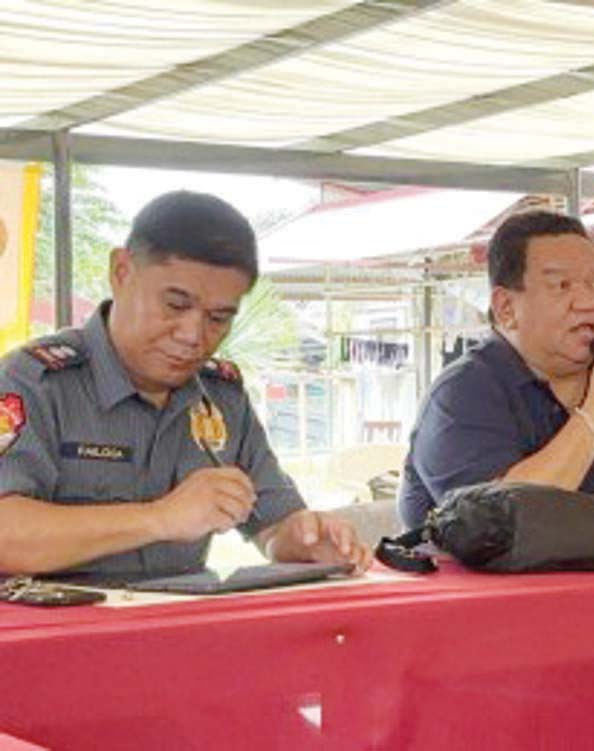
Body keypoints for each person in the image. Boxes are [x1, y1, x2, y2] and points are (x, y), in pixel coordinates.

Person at [0, 191, 373, 576]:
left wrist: (307, 541)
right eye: (176, 305)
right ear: (121, 271)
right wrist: (160, 518)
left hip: (180, 630)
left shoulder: (220, 397)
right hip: (62, 632)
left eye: (218, 318)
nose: (193, 335)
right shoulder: (34, 383)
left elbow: (274, 525)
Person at [400, 210, 594, 529]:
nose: (590, 303)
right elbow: (507, 524)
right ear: (506, 308)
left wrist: (591, 519)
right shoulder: (462, 394)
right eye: (562, 286)